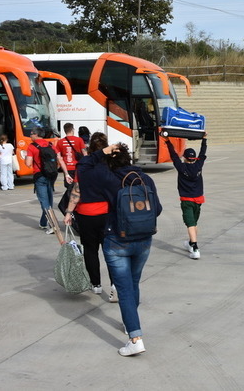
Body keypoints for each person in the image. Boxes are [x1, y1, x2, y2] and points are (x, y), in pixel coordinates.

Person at [82, 142, 162, 356]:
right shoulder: (145, 179)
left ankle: (135, 339)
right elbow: (158, 209)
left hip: (117, 240)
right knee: (133, 284)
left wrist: (102, 152)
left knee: (124, 289)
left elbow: (82, 167)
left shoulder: (107, 177)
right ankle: (129, 323)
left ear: (109, 161)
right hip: (144, 239)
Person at [63, 132, 116, 299]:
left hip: (86, 213)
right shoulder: (110, 165)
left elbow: (76, 191)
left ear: (90, 148)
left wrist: (69, 212)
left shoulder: (84, 166)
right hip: (106, 212)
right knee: (110, 251)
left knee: (90, 250)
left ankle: (96, 284)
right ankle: (114, 283)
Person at [164, 134, 208, 259]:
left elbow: (173, 155)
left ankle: (195, 248)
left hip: (186, 200)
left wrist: (167, 141)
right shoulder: (199, 165)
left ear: (184, 158)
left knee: (190, 224)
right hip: (198, 200)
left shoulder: (181, 167)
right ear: (194, 158)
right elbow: (203, 153)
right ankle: (190, 243)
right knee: (193, 223)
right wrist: (204, 140)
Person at [25, 128, 72, 234]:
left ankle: (53, 225)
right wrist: (66, 174)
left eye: (31, 134)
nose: (30, 136)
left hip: (40, 176)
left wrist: (25, 159)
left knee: (44, 201)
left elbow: (28, 163)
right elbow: (60, 159)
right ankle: (43, 222)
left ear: (36, 135)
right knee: (48, 200)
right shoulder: (50, 145)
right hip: (52, 175)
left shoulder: (32, 146)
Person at [56, 123, 86, 190]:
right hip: (78, 167)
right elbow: (85, 154)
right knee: (79, 188)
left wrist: (66, 173)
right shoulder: (79, 140)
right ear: (72, 129)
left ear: (64, 130)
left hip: (67, 168)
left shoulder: (60, 142)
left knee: (69, 188)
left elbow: (59, 158)